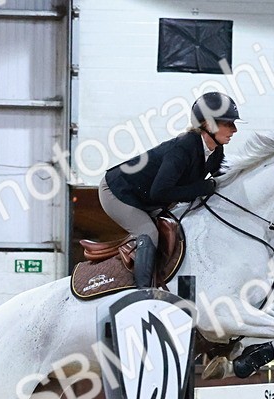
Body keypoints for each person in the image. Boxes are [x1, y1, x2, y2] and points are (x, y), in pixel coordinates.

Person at [98, 92, 240, 288]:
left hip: (147, 197)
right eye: (229, 123)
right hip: (118, 193)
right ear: (209, 124)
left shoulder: (216, 151)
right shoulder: (183, 148)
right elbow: (161, 192)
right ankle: (142, 292)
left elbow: (218, 182)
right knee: (148, 232)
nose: (235, 129)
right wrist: (201, 188)